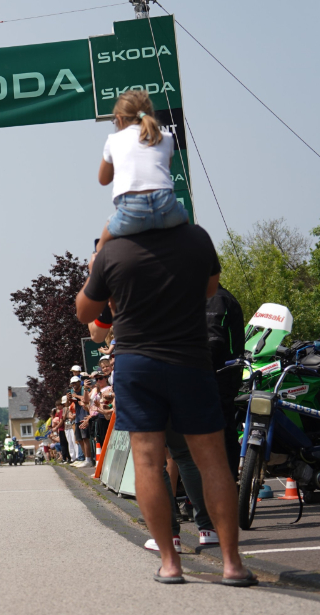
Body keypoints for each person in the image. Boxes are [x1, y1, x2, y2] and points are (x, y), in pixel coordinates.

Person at [77, 216, 255, 586]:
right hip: (190, 359)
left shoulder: (113, 254)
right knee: (210, 460)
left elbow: (87, 316)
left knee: (147, 461)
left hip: (138, 361)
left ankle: (171, 563)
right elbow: (210, 290)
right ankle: (231, 563)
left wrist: (100, 258)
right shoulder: (196, 240)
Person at [92, 90, 188, 258]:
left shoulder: (114, 140)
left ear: (120, 118)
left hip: (131, 212)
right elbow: (166, 169)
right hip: (167, 207)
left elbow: (103, 179)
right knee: (190, 231)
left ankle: (96, 270)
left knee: (100, 246)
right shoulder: (166, 137)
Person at [207, 285, 245, 477]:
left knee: (220, 433)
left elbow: (214, 340)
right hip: (218, 375)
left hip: (220, 376)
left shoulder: (218, 299)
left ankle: (227, 484)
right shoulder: (211, 297)